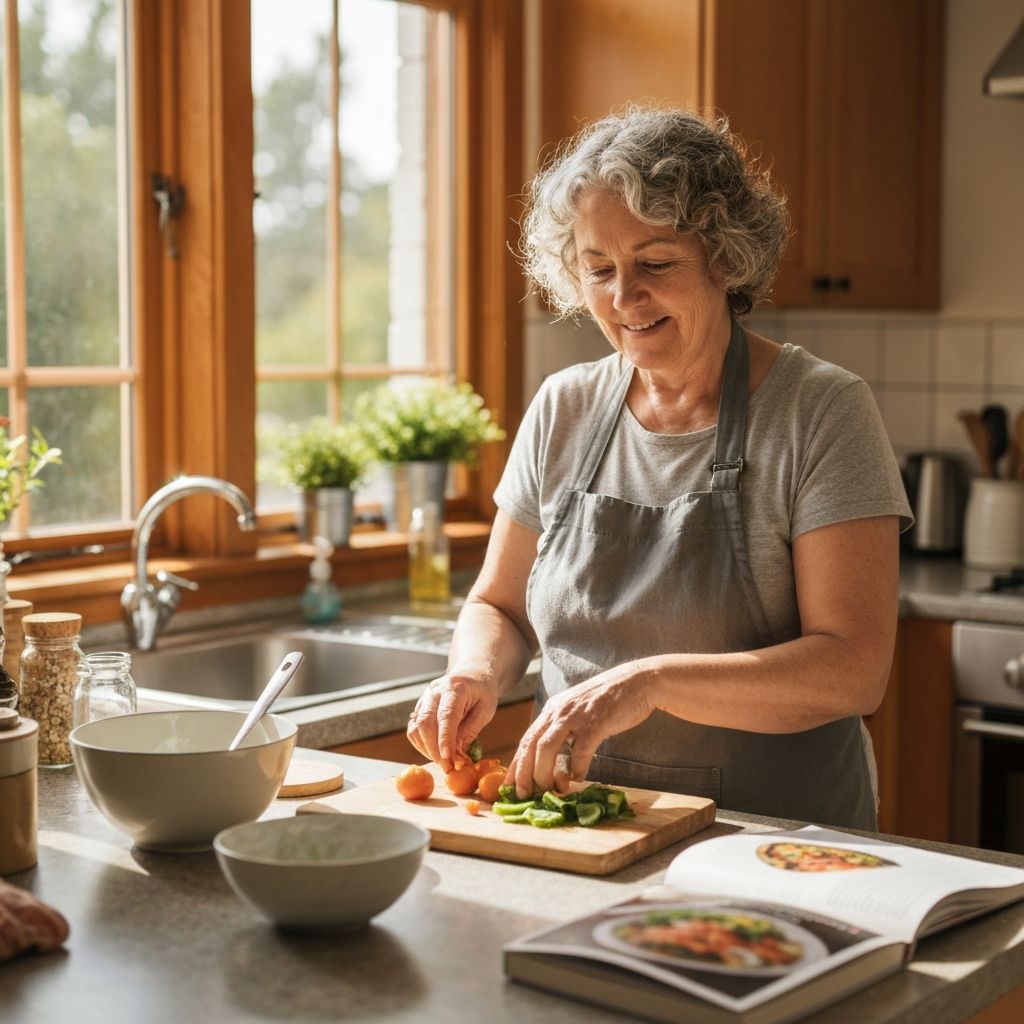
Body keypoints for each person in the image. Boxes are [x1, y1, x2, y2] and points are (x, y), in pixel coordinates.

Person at [407, 108, 911, 829]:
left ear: (725, 257)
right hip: (586, 825)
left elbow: (854, 669)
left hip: (770, 838)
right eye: (599, 269)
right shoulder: (564, 408)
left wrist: (650, 682)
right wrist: (473, 673)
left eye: (655, 263)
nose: (623, 297)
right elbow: (501, 605)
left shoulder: (821, 410)